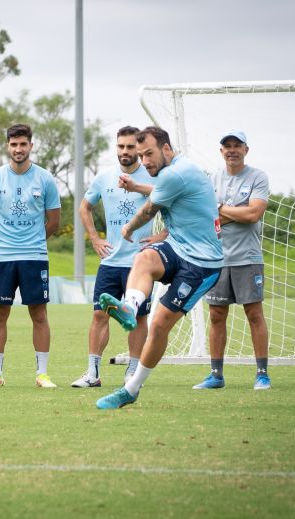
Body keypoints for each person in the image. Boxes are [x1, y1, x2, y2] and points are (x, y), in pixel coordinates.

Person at [96, 126, 223, 409]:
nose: (145, 161)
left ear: (166, 149)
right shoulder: (174, 172)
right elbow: (159, 190)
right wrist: (138, 187)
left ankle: (131, 388)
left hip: (203, 264)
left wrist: (128, 227)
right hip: (179, 247)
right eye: (141, 155)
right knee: (144, 258)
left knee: (159, 325)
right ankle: (129, 307)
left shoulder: (176, 173)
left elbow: (149, 209)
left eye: (149, 154)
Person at [72, 126, 157, 388]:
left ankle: (131, 373)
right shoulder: (104, 177)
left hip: (140, 263)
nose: (125, 151)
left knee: (139, 318)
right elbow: (84, 207)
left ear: (139, 150)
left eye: (130, 147)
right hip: (110, 262)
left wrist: (161, 237)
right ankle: (92, 373)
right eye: (121, 146)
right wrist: (95, 238)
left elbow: (173, 206)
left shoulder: (152, 178)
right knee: (100, 315)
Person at [0, 123, 61, 389]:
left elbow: (54, 222)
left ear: (31, 146)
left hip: (35, 257)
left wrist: (32, 241)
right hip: (2, 257)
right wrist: (7, 241)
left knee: (39, 314)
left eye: (23, 144)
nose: (18, 149)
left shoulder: (45, 179)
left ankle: (42, 374)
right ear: (7, 147)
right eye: (14, 144)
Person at [194, 130, 271, 390]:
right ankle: (216, 375)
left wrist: (220, 210)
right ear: (221, 151)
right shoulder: (212, 178)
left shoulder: (257, 177)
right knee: (216, 314)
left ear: (246, 149)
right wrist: (232, 212)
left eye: (237, 145)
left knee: (254, 313)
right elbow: (206, 216)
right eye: (227, 146)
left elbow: (253, 214)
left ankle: (262, 374)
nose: (232, 150)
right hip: (216, 257)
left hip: (247, 257)